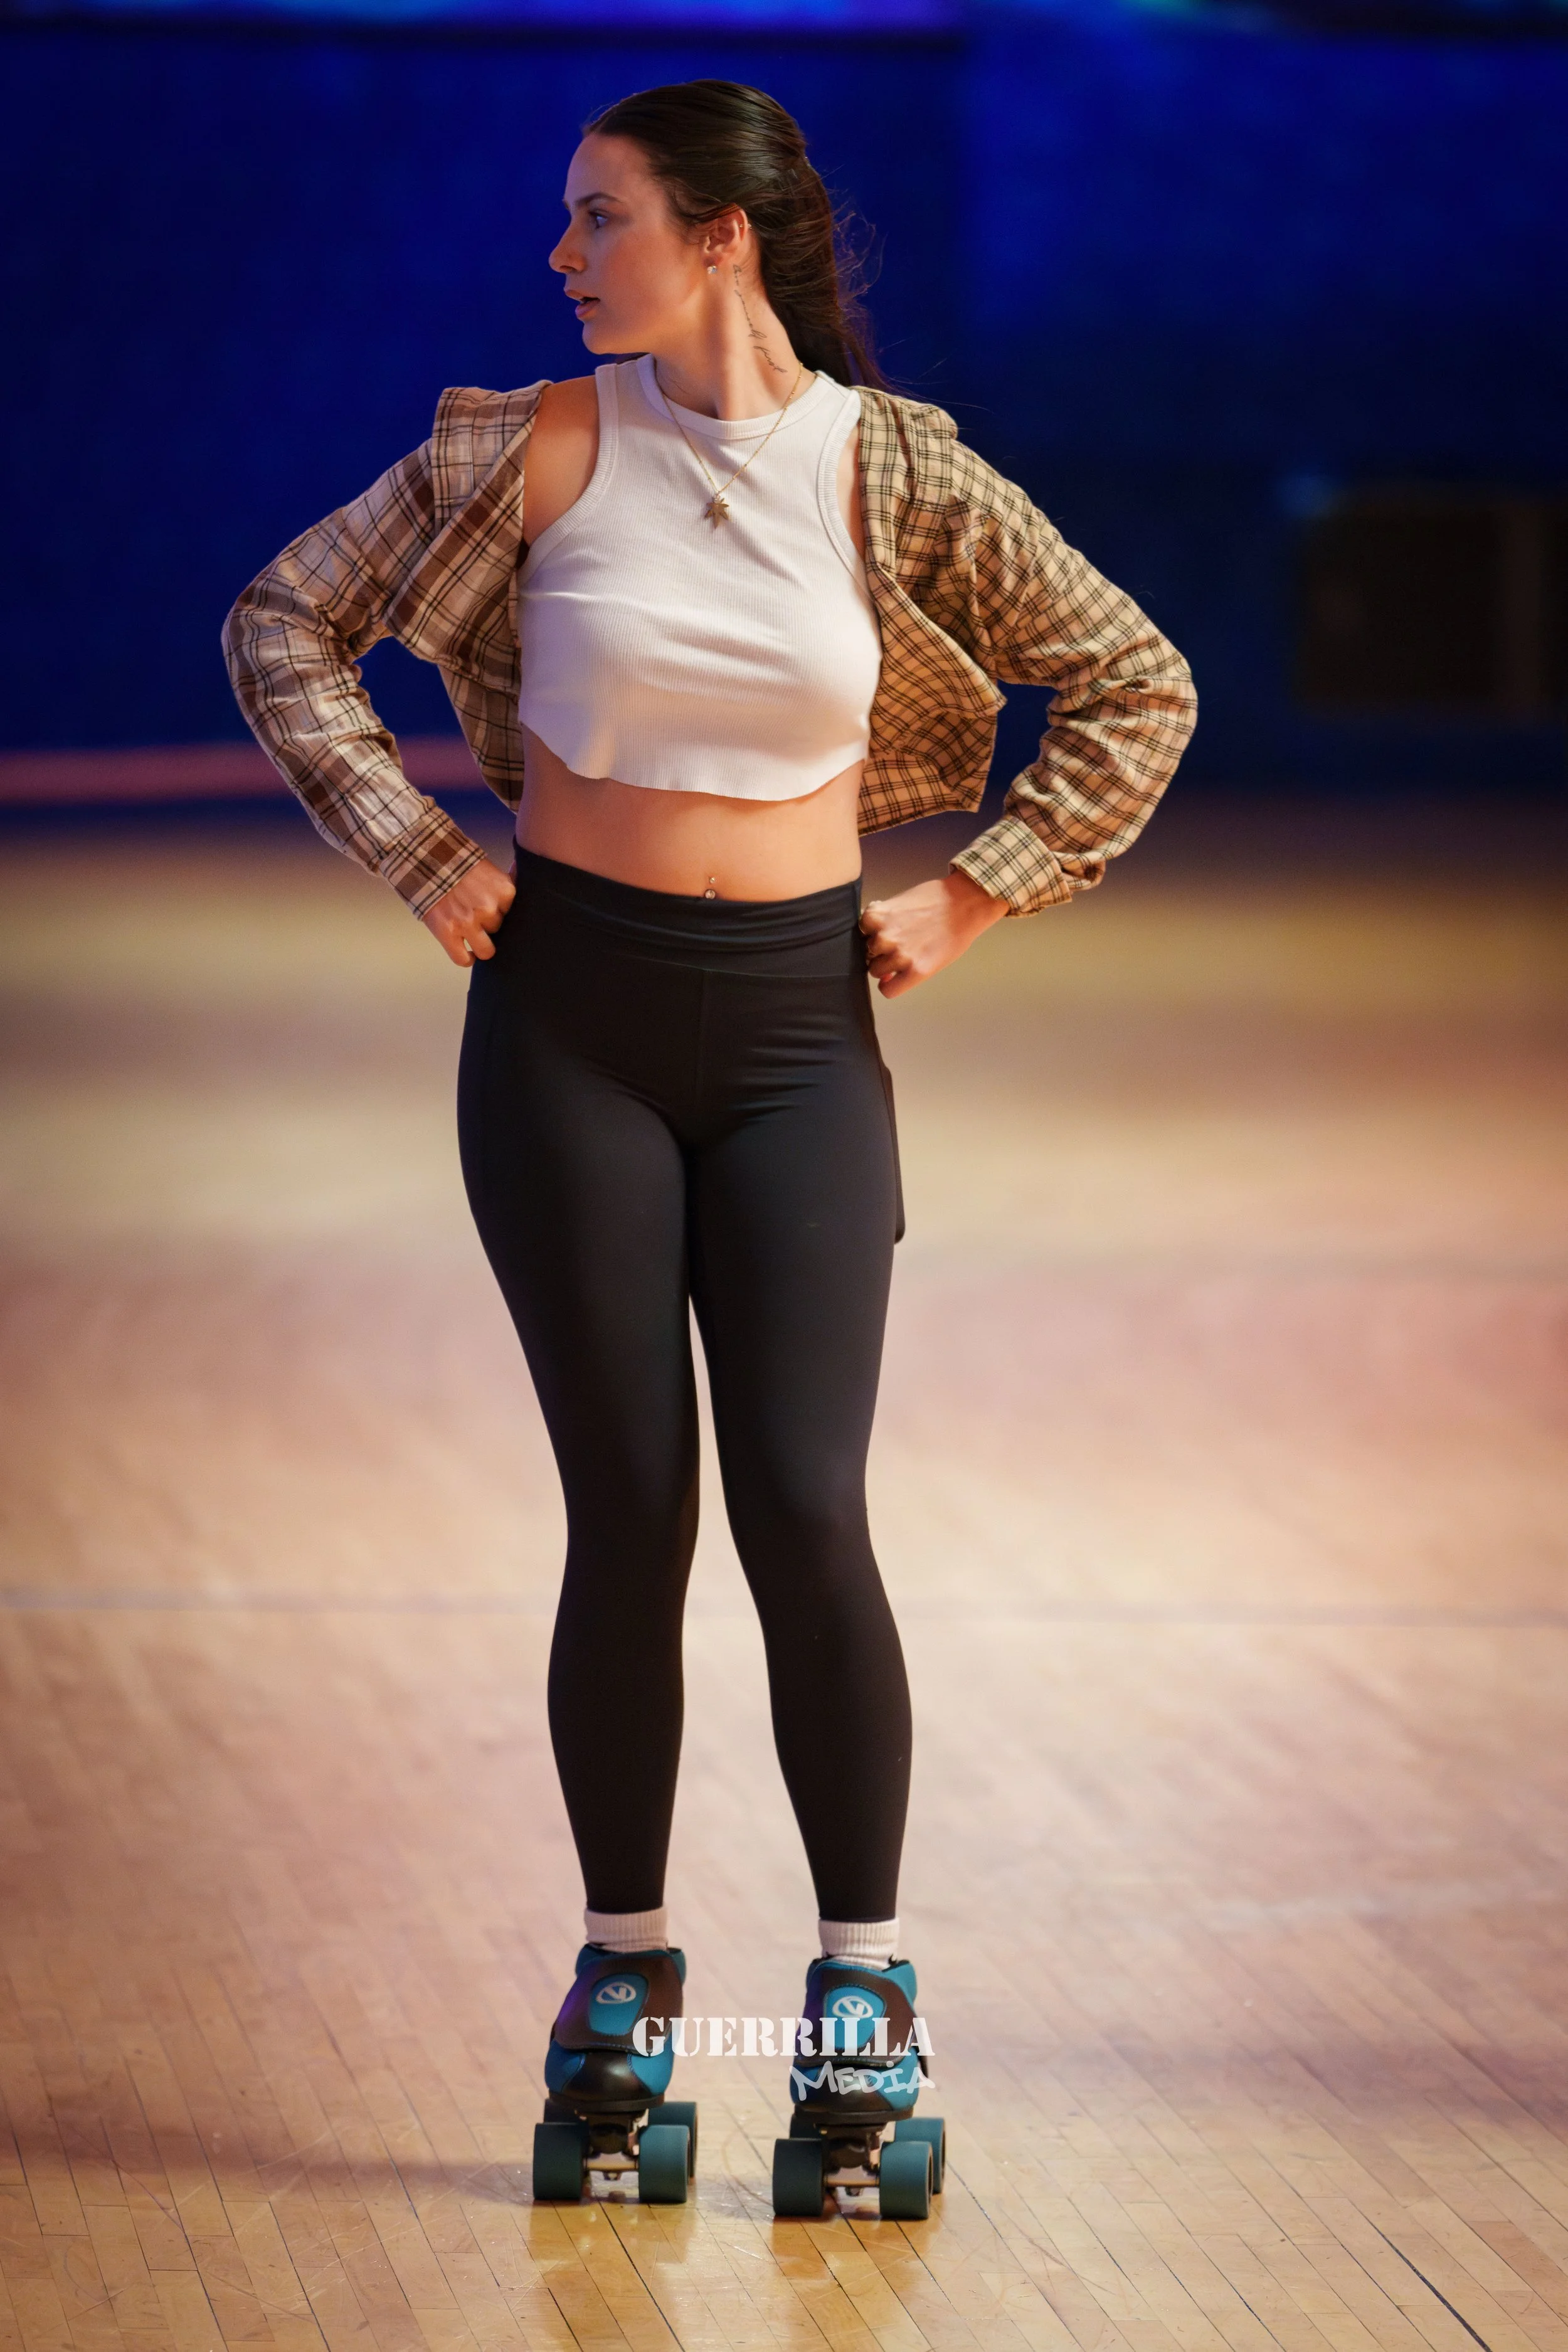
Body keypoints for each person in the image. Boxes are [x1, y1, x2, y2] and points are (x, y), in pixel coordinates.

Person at [225, 77, 1196, 2198]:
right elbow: (281, 622)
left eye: (601, 217)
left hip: (793, 1038)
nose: (564, 255)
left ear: (724, 235)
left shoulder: (893, 469)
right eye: (567, 221)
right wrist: (416, 848)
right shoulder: (531, 450)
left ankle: (858, 1996)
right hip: (561, 1019)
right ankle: (624, 1979)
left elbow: (1134, 682)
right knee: (631, 1507)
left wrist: (975, 883)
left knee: (804, 1503)